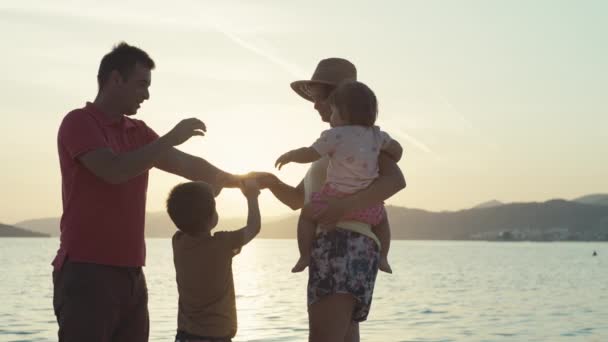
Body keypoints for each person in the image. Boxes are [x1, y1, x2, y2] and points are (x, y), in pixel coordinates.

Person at [52, 42, 241, 342]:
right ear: (115, 79)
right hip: (87, 271)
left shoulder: (138, 132)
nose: (147, 94)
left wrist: (241, 181)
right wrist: (169, 138)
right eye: (141, 84)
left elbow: (186, 164)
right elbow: (113, 170)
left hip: (132, 275)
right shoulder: (78, 122)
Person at [253, 58, 406, 342]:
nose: (314, 103)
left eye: (319, 95)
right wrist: (270, 182)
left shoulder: (366, 140)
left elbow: (396, 180)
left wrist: (341, 207)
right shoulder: (333, 147)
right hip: (354, 251)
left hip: (340, 246)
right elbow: (299, 200)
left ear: (340, 98)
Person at [275, 81, 402, 273]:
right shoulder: (377, 136)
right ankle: (383, 258)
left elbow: (310, 153)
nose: (319, 106)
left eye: (332, 110)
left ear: (344, 112)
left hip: (333, 202)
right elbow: (397, 150)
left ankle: (304, 256)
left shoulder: (334, 136)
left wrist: (291, 155)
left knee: (307, 215)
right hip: (369, 210)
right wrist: (389, 154)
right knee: (383, 221)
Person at [168, 179, 261, 342]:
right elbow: (253, 226)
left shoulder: (178, 242)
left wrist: (207, 193)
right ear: (211, 217)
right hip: (217, 336)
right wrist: (251, 196)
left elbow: (187, 212)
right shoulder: (223, 243)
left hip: (184, 336)